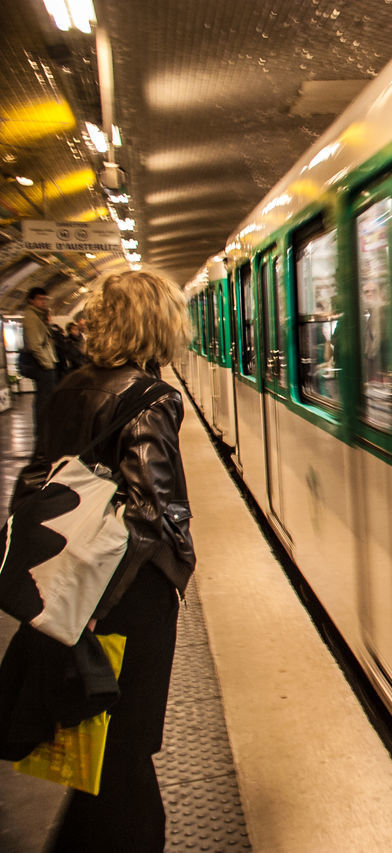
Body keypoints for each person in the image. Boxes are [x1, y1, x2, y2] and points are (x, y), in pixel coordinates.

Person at [13, 270, 196, 852]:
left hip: (67, 581)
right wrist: (97, 604)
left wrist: (64, 594)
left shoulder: (70, 385)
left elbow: (36, 480)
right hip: (125, 595)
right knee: (128, 738)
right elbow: (151, 511)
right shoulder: (152, 397)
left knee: (97, 726)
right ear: (158, 323)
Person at [21, 286, 57, 440]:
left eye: (45, 299)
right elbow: (35, 345)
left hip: (46, 363)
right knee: (43, 398)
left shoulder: (38, 316)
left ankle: (45, 427)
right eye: (40, 299)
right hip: (42, 365)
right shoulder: (30, 317)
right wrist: (47, 364)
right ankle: (42, 429)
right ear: (31, 300)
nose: (43, 302)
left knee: (46, 398)